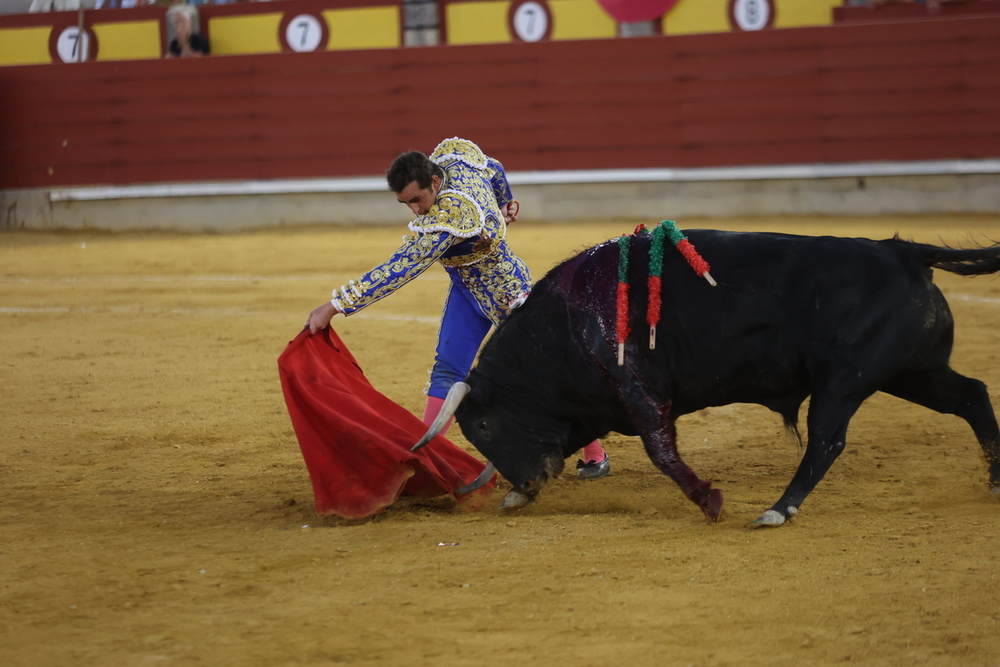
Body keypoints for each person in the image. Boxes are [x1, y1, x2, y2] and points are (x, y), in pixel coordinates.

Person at [305, 137, 611, 479]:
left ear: (434, 182)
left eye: (418, 200)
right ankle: (425, 454)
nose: (416, 210)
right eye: (406, 203)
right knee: (448, 370)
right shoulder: (456, 159)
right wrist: (505, 199)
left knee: (551, 371)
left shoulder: (452, 215)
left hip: (508, 293)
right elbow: (492, 166)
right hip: (466, 292)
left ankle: (594, 452)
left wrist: (335, 305)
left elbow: (402, 267)